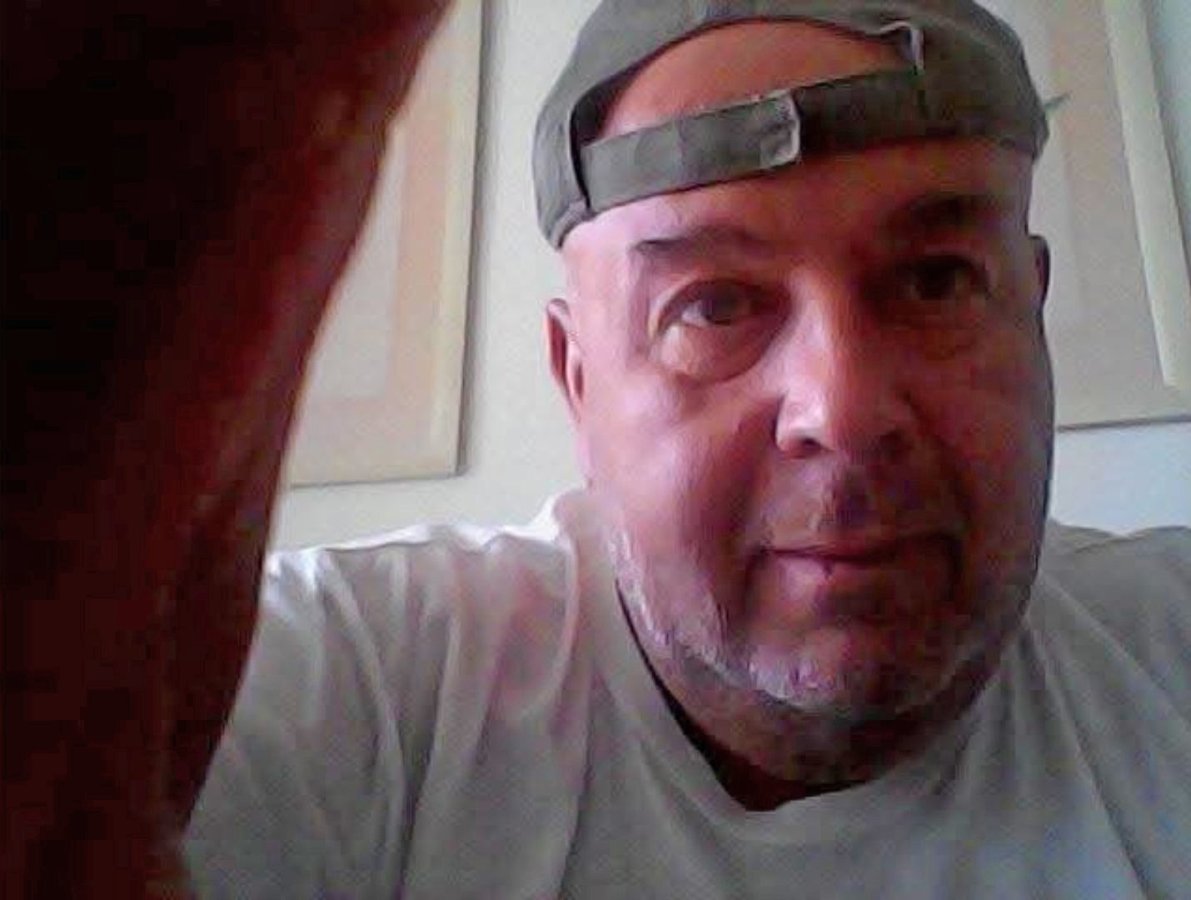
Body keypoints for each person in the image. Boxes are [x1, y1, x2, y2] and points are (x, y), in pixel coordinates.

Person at [5, 1, 1189, 898]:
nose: (842, 407)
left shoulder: (1167, 654)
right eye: (714, 307)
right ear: (578, 381)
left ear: (1032, 309)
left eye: (936, 282)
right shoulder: (357, 698)